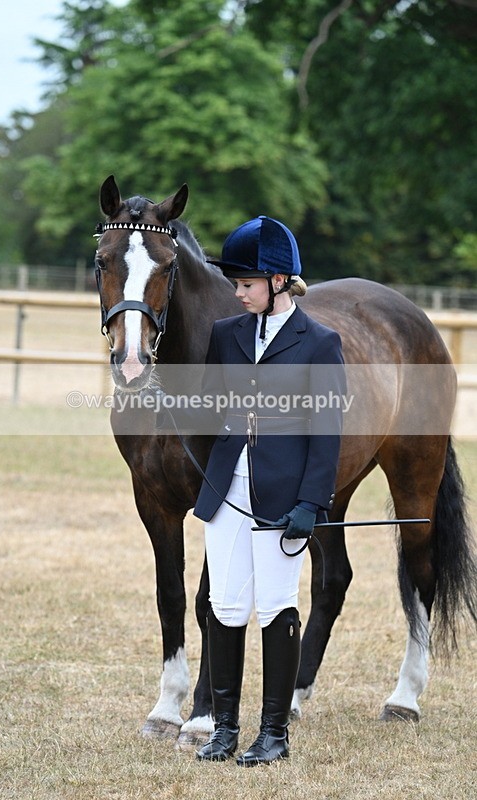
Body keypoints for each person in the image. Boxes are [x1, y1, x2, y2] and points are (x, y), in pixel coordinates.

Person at [170, 216, 345, 766]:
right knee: (224, 605)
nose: (235, 292)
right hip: (226, 490)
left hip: (283, 498)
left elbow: (327, 433)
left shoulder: (319, 344)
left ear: (275, 281)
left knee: (274, 606)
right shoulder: (227, 334)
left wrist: (311, 504)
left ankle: (273, 733)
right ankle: (224, 728)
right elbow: (212, 406)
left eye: (244, 284)